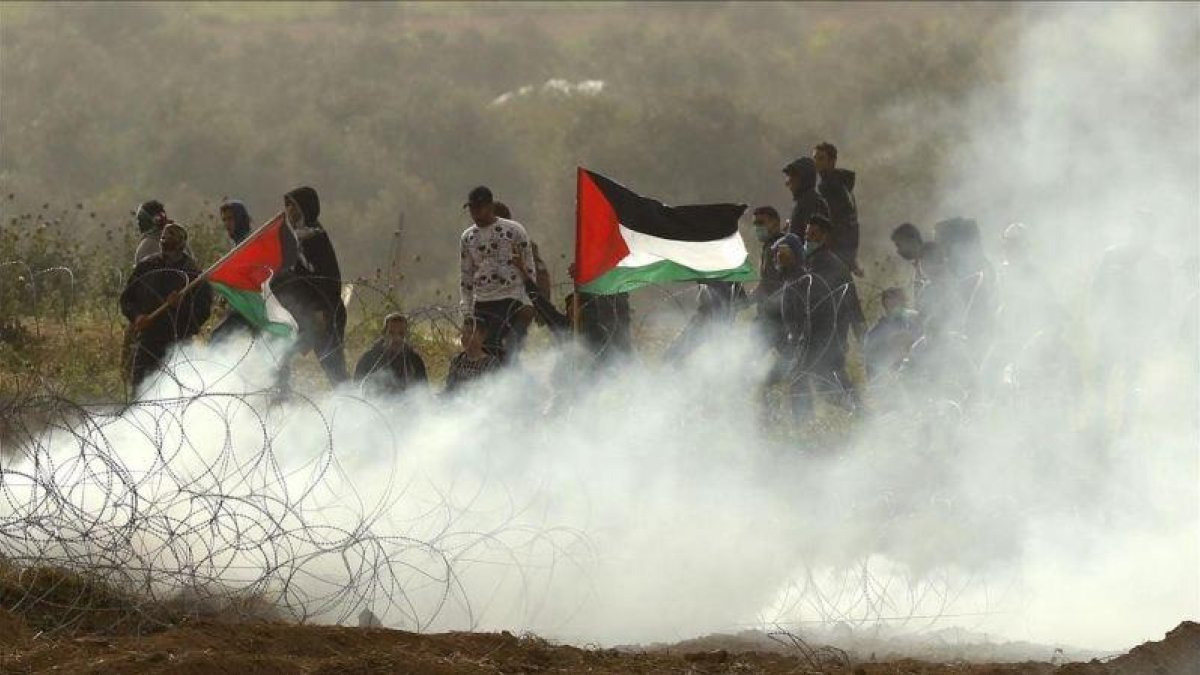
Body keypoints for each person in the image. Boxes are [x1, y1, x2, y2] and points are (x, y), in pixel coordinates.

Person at [119, 223, 213, 391]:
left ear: (181, 247)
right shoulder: (146, 267)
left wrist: (181, 306)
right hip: (148, 340)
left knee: (174, 393)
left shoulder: (192, 275)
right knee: (140, 392)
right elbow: (127, 299)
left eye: (172, 247)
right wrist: (137, 316)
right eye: (165, 245)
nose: (168, 254)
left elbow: (203, 312)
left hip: (178, 344)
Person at [273, 186, 349, 386]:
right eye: (287, 205)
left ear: (305, 208)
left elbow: (329, 279)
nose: (288, 209)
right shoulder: (293, 238)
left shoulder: (315, 238)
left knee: (332, 365)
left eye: (293, 205)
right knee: (281, 356)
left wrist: (320, 310)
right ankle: (281, 398)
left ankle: (350, 405)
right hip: (301, 313)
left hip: (323, 312)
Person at [791, 214, 860, 419]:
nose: (808, 239)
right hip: (817, 334)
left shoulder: (830, 264)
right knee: (825, 380)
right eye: (806, 234)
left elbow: (851, 302)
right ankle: (859, 411)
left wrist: (859, 331)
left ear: (825, 238)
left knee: (806, 379)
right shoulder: (813, 261)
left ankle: (804, 423)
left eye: (813, 235)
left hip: (827, 334)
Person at [459, 186, 536, 362]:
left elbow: (529, 267)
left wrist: (529, 300)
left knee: (495, 345)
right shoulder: (468, 237)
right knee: (478, 348)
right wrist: (467, 309)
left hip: (509, 297)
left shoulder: (514, 231)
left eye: (479, 207)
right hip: (482, 299)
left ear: (490, 206)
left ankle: (503, 383)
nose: (475, 212)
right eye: (472, 208)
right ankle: (488, 384)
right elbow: (466, 275)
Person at [210, 200, 257, 344]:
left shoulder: (252, 242)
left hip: (258, 307)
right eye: (224, 220)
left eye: (230, 219)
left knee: (270, 353)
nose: (226, 224)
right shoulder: (237, 245)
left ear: (240, 218)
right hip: (243, 307)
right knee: (218, 339)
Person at [813, 142, 862, 275]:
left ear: (832, 161)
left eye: (821, 158)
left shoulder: (831, 186)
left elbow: (836, 220)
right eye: (815, 158)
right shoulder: (841, 182)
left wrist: (828, 246)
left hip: (837, 248)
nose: (817, 162)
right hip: (846, 246)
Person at [353, 313, 428, 395]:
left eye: (401, 334)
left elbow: (423, 392)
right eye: (391, 333)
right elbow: (357, 388)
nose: (396, 338)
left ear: (406, 336)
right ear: (384, 335)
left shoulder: (414, 361)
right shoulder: (369, 359)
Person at [863, 287, 918, 381]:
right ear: (887, 305)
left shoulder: (914, 325)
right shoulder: (877, 332)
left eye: (903, 302)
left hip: (914, 377)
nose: (903, 305)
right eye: (899, 303)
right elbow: (871, 364)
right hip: (889, 380)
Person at [444, 316, 502, 394]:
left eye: (470, 333)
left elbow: (493, 392)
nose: (465, 337)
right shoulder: (457, 361)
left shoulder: (491, 363)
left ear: (482, 336)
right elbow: (449, 389)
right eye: (463, 333)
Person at [782, 156, 829, 236]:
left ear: (804, 178)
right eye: (788, 177)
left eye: (792, 176)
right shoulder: (803, 202)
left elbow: (814, 240)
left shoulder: (811, 203)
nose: (788, 182)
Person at [890, 223, 926, 299]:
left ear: (911, 241)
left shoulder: (930, 262)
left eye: (899, 245)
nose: (898, 251)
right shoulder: (914, 267)